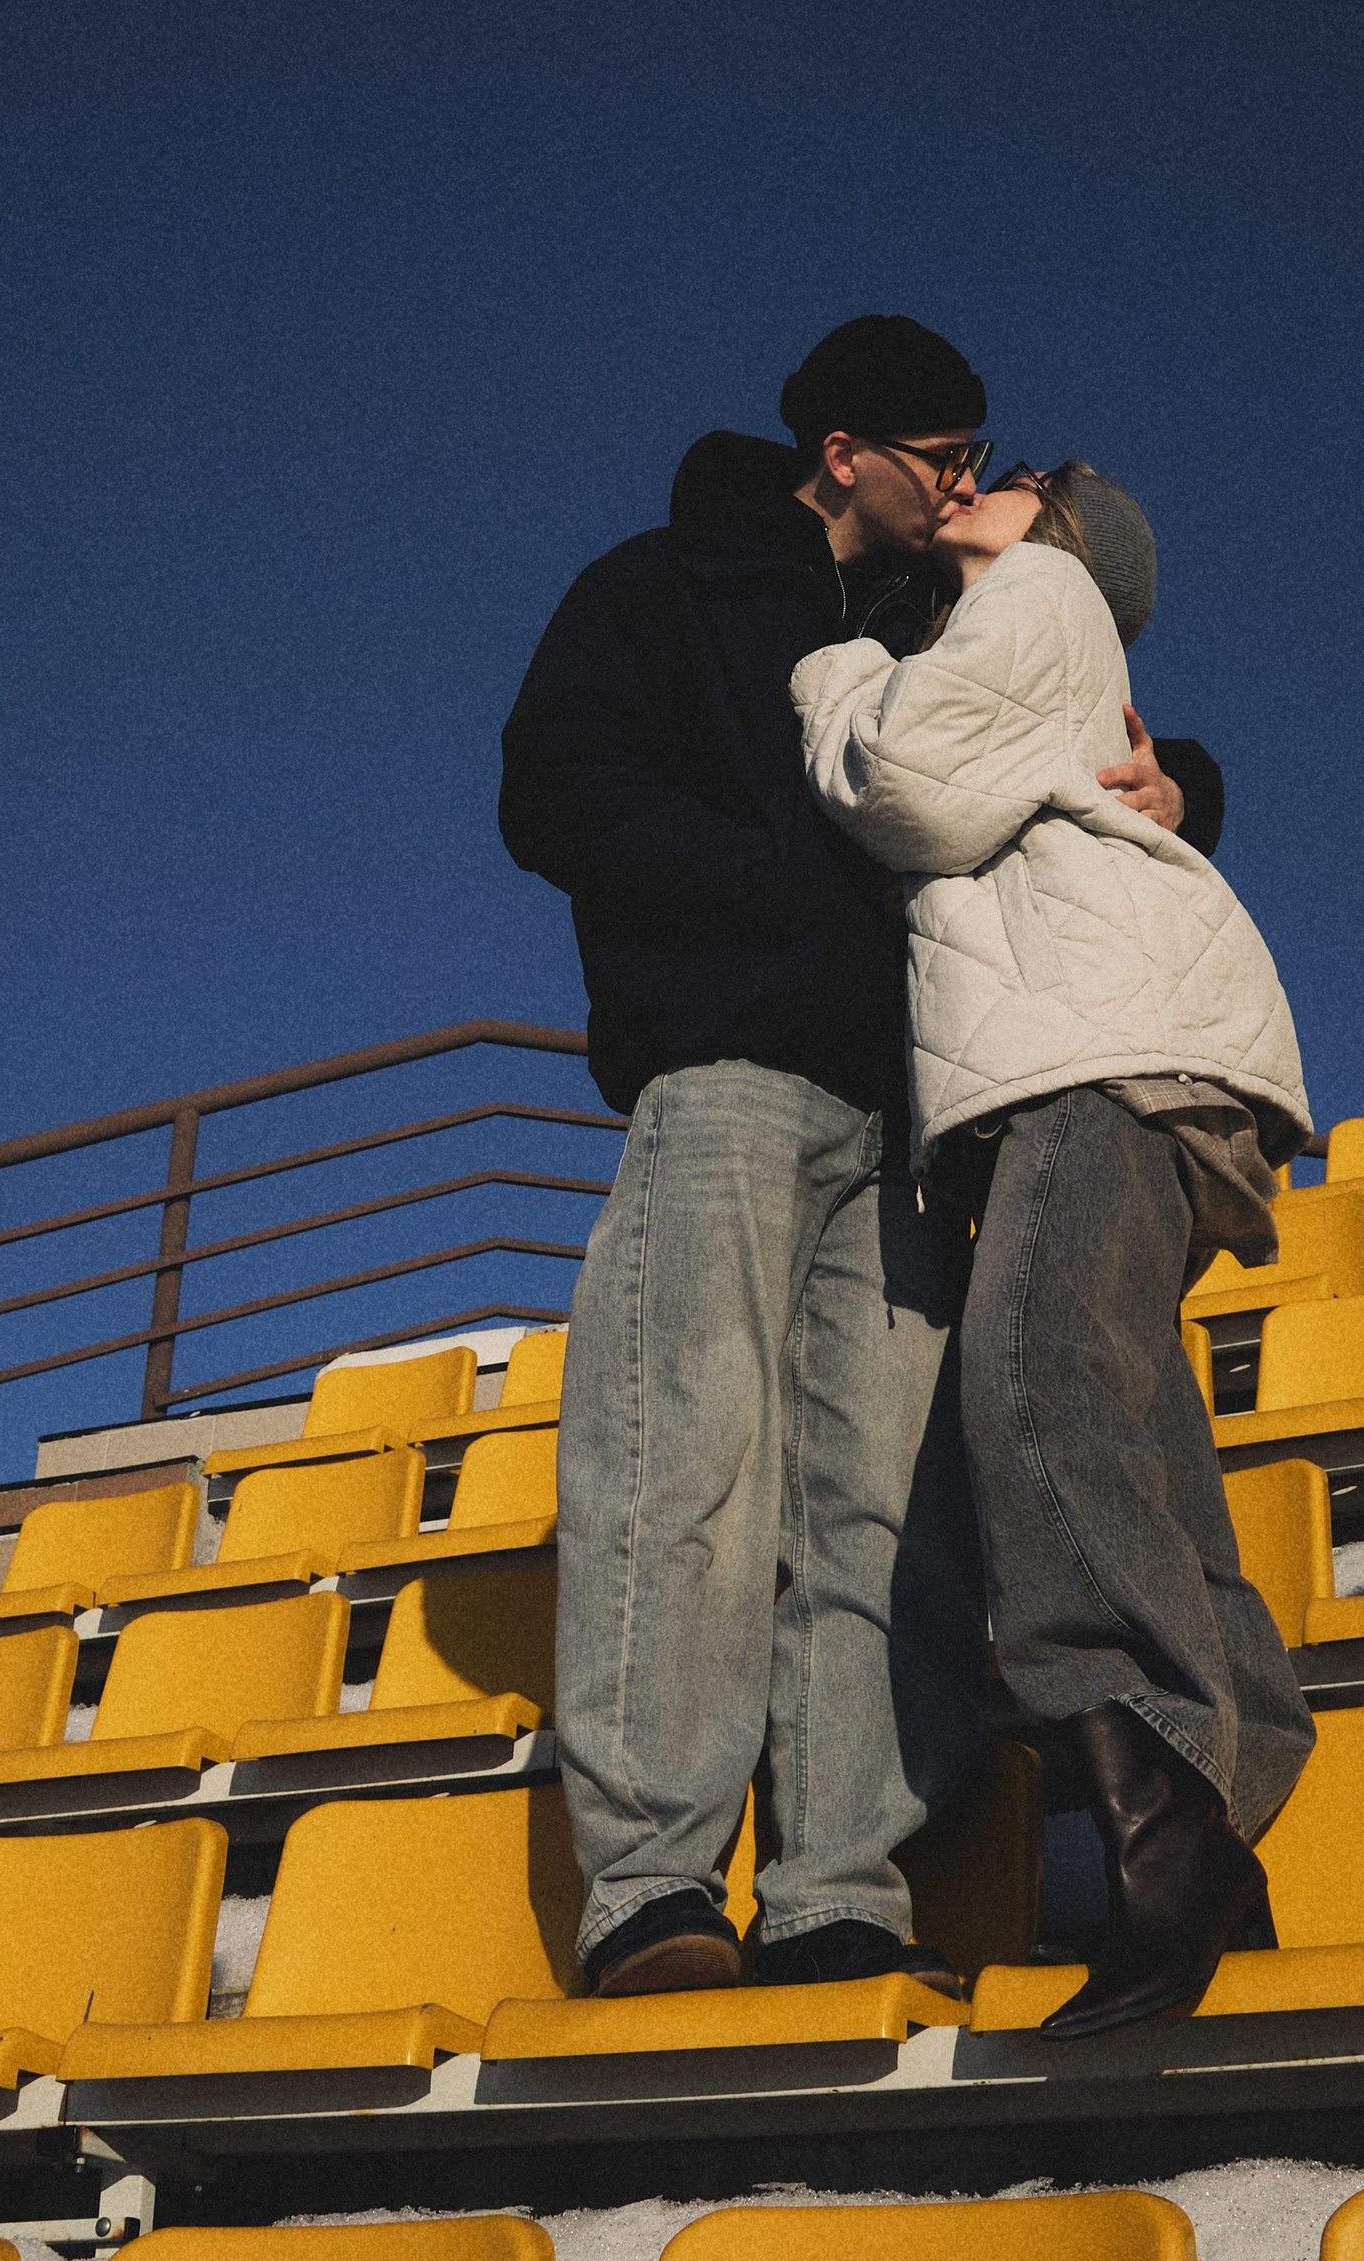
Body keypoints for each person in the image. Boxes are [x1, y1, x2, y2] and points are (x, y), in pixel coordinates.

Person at [498, 316, 1228, 1996]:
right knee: (681, 1462)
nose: (969, 483)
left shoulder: (946, 612)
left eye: (980, 459)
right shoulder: (659, 587)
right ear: (845, 453)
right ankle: (654, 1892)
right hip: (729, 1070)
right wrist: (781, 902)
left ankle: (839, 1884)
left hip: (916, 1113)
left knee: (882, 1512)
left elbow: (1073, 735)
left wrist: (1179, 777)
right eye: (943, 458)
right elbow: (556, 788)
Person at [794, 455, 1316, 2034]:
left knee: (1029, 1386)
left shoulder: (1041, 592)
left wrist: (831, 669)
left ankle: (1166, 1830)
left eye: (1022, 482)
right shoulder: (1027, 639)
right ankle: (1224, 1827)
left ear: (1075, 537)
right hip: (1098, 1064)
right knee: (1132, 1433)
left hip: (1101, 1064)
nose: (982, 481)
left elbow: (901, 793)